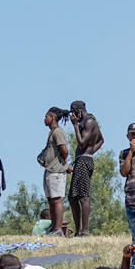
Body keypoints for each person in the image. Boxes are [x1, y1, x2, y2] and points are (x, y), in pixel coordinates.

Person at [67, 101, 102, 237]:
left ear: (79, 111)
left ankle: (84, 231)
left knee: (83, 196)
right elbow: (101, 140)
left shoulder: (89, 122)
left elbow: (82, 143)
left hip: (83, 161)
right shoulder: (89, 122)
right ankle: (78, 231)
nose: (73, 116)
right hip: (82, 159)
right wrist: (91, 152)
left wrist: (75, 125)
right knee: (73, 197)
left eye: (74, 113)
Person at [39, 107, 70, 237]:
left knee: (57, 199)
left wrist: (63, 164)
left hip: (56, 171)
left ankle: (58, 229)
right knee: (51, 200)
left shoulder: (58, 132)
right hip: (50, 170)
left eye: (46, 116)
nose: (44, 119)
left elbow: (64, 151)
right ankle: (53, 227)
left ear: (52, 117)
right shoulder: (51, 133)